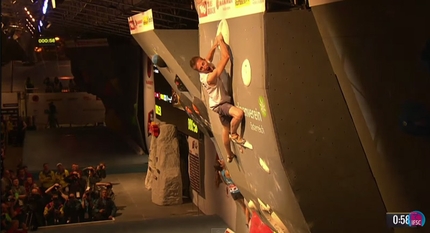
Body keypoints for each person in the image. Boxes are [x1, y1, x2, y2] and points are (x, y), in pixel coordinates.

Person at [189, 34, 244, 163]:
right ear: (199, 71)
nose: (205, 67)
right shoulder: (209, 78)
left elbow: (208, 58)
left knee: (224, 128)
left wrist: (214, 46)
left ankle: (229, 154)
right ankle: (234, 134)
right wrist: (220, 41)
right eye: (201, 68)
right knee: (239, 114)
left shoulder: (206, 65)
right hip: (221, 104)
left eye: (203, 64)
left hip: (216, 103)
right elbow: (226, 57)